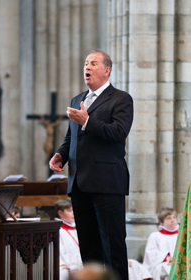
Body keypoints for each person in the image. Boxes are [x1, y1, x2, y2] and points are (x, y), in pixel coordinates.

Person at [49, 49, 134, 280]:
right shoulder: (78, 99)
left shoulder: (120, 98)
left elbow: (118, 132)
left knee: (112, 245)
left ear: (106, 70)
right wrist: (61, 155)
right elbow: (71, 137)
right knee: (88, 245)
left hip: (107, 182)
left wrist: (87, 121)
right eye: (86, 63)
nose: (87, 67)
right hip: (79, 182)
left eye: (93, 63)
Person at [143, 207, 179, 280]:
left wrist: (177, 260)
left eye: (174, 217)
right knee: (169, 270)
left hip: (179, 262)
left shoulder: (182, 236)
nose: (172, 220)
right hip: (162, 264)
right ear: (161, 222)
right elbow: (151, 256)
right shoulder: (155, 236)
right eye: (168, 218)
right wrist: (168, 258)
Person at [54, 199, 82, 280]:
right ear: (60, 213)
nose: (73, 213)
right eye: (70, 210)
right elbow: (59, 254)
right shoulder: (58, 231)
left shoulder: (77, 228)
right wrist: (69, 269)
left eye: (74, 210)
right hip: (66, 267)